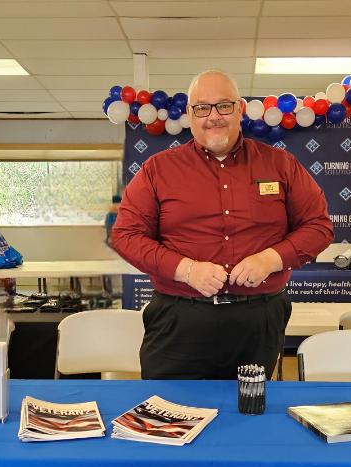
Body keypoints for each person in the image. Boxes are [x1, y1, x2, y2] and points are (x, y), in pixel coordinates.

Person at [112, 70, 333, 379]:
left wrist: (270, 259)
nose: (213, 116)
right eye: (202, 108)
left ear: (240, 109)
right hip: (179, 319)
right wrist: (186, 269)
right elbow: (126, 236)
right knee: (169, 414)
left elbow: (319, 226)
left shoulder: (280, 165)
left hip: (258, 319)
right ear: (189, 115)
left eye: (223, 106)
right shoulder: (158, 170)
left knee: (248, 415)